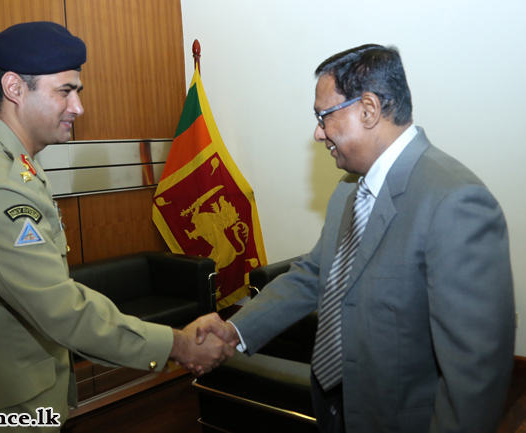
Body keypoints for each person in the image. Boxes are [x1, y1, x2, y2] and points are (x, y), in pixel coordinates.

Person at [0, 21, 232, 431]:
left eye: (78, 91)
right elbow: (59, 309)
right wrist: (178, 344)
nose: (78, 107)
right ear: (14, 88)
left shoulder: (12, 166)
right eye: (65, 91)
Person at [197, 44, 515, 433]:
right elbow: (314, 274)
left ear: (368, 109)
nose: (318, 133)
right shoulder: (349, 190)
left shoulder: (455, 201)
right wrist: (234, 330)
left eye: (323, 116)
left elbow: (476, 371)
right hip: (337, 407)